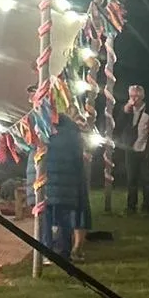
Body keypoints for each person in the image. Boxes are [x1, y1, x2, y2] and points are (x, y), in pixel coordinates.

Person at [40, 106, 93, 258]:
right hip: (68, 182)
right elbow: (79, 156)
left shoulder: (43, 129)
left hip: (48, 180)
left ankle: (48, 251)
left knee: (47, 218)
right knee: (64, 219)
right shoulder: (73, 132)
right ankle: (65, 252)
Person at [119, 84, 149, 214]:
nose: (134, 99)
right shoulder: (127, 110)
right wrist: (125, 111)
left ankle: (146, 207)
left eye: (136, 96)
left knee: (147, 179)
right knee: (131, 179)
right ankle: (131, 206)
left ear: (142, 96)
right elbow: (119, 125)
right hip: (131, 148)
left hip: (146, 148)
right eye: (131, 96)